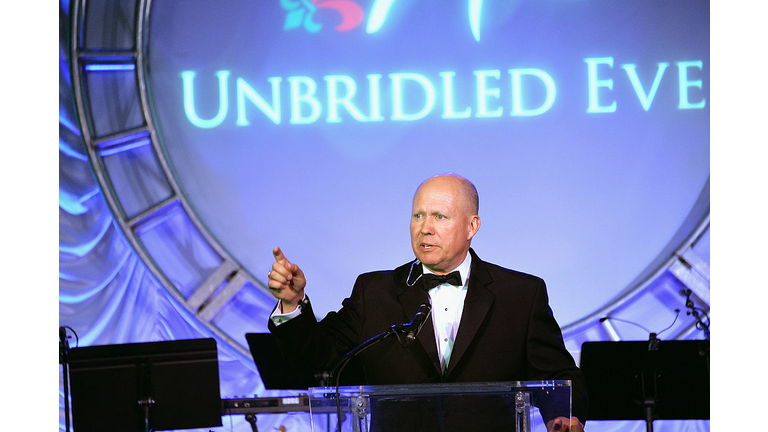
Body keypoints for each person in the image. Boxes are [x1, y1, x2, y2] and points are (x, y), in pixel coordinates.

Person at [267, 174, 587, 431]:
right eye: (418, 215)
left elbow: (558, 373)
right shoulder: (374, 292)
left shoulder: (519, 294)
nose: (425, 228)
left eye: (439, 216)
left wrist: (563, 417)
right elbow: (317, 355)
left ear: (471, 227)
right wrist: (292, 304)